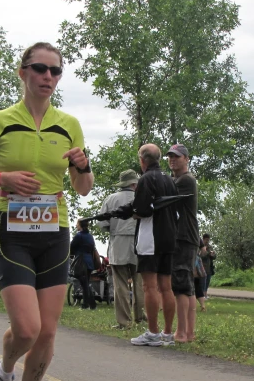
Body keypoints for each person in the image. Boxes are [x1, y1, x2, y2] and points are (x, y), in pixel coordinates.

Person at [0, 41, 93, 381]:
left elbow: (83, 189)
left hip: (54, 228)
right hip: (11, 229)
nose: (48, 77)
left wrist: (84, 167)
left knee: (48, 331)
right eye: (40, 69)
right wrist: (4, 179)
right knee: (26, 329)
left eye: (55, 72)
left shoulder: (68, 125)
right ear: (23, 73)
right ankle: (4, 371)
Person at [130, 144, 179, 347]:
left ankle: (152, 332)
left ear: (143, 160)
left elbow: (142, 210)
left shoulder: (146, 179)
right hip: (169, 236)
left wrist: (133, 212)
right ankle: (168, 333)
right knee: (166, 287)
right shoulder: (169, 180)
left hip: (151, 237)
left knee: (149, 286)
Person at [97, 169, 145, 328]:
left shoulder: (111, 199)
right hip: (140, 243)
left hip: (118, 244)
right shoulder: (142, 198)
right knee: (139, 283)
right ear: (133, 184)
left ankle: (124, 321)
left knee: (121, 285)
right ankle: (141, 317)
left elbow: (102, 223)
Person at [166, 144, 199, 344]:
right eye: (170, 156)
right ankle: (189, 332)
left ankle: (182, 333)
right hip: (186, 236)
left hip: (184, 236)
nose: (172, 160)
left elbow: (164, 193)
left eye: (177, 157)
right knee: (188, 285)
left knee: (180, 284)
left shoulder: (185, 180)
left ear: (186, 159)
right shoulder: (176, 180)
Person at [70, 219, 97, 310]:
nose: (76, 225)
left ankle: (89, 305)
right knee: (85, 283)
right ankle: (88, 304)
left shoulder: (79, 236)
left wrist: (71, 255)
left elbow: (71, 246)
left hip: (81, 261)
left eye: (77, 224)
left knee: (84, 284)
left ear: (80, 225)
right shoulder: (90, 236)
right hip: (89, 261)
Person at [201, 233, 217, 297]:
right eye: (206, 240)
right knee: (203, 282)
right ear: (203, 239)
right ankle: (202, 295)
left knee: (207, 281)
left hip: (209, 267)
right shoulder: (200, 246)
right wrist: (208, 253)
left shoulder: (210, 247)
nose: (207, 241)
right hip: (202, 267)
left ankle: (205, 294)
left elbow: (214, 257)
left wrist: (213, 255)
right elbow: (201, 256)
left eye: (208, 240)